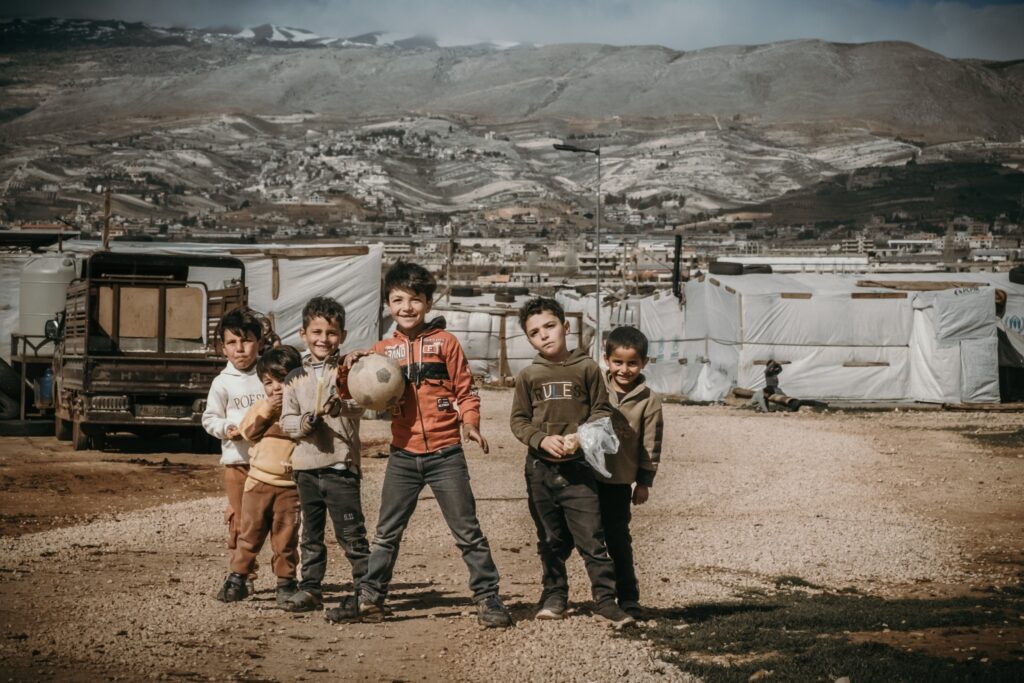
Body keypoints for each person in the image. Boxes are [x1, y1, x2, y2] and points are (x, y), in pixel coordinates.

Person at [335, 261, 511, 628]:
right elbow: (356, 393)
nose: (406, 307)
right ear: (388, 304)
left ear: (429, 303)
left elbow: (466, 390)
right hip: (403, 456)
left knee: (467, 531)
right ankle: (371, 599)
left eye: (415, 299)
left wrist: (471, 423)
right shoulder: (381, 351)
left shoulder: (446, 343)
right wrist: (347, 367)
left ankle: (488, 598)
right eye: (398, 299)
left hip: (446, 453)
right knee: (385, 533)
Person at [510, 297, 635, 627]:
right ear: (529, 339)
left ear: (566, 326)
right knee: (550, 539)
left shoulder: (587, 369)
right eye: (535, 333)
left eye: (550, 326)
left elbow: (601, 411)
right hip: (540, 471)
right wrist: (541, 439)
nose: (545, 336)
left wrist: (581, 436)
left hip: (579, 470)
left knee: (592, 537)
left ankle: (606, 601)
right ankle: (554, 595)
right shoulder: (528, 376)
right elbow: (519, 421)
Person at [279, 297, 368, 612]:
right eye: (316, 332)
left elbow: (362, 404)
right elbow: (286, 419)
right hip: (305, 468)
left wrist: (340, 406)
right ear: (303, 334)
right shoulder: (293, 377)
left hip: (340, 468)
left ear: (342, 336)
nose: (323, 339)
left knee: (351, 534)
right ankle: (311, 589)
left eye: (331, 333)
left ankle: (365, 591)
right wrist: (302, 424)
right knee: (311, 536)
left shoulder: (348, 370)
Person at [216, 345, 303, 607]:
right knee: (249, 535)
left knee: (285, 538)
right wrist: (267, 410)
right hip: (258, 484)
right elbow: (248, 433)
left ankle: (285, 583)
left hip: (289, 487)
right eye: (269, 382)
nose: (276, 388)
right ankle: (237, 578)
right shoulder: (260, 407)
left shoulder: (301, 410)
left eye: (283, 380)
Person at [597, 326, 663, 619]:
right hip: (587, 479)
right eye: (618, 362)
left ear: (644, 363)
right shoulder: (596, 387)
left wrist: (644, 482)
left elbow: (650, 443)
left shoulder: (649, 399)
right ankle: (558, 593)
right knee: (576, 537)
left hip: (619, 482)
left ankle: (628, 596)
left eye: (632, 363)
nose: (624, 369)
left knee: (618, 541)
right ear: (607, 360)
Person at [202, 307, 266, 579]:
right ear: (223, 348)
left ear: (259, 343)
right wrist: (226, 428)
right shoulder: (222, 383)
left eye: (247, 340)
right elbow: (210, 418)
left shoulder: (268, 375)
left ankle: (288, 576)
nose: (240, 349)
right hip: (237, 464)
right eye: (232, 342)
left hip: (270, 464)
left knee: (277, 520)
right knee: (240, 522)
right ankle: (243, 574)